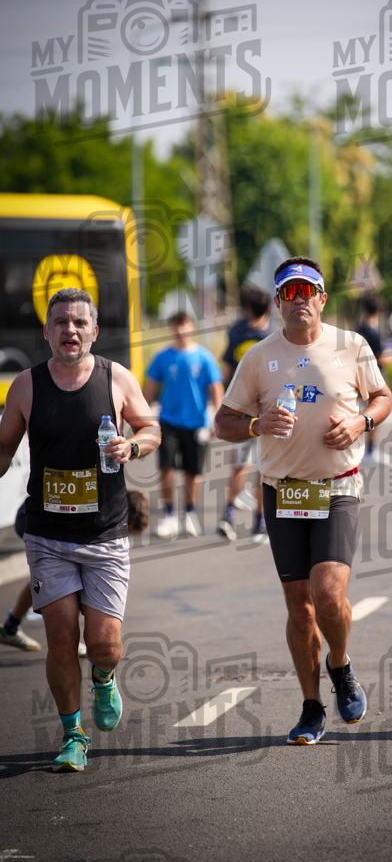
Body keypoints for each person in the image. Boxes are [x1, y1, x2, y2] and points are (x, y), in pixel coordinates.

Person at [215, 258, 392, 744]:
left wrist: (361, 423)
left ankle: (341, 664)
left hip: (338, 485)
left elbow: (381, 397)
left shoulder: (351, 345)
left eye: (306, 291)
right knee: (299, 608)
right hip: (283, 490)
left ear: (321, 299)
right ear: (277, 302)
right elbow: (223, 422)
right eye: (288, 293)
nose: (298, 300)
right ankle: (312, 707)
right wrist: (256, 424)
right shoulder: (257, 356)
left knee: (328, 594)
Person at [0, 287, 160, 773]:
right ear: (47, 332)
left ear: (92, 331)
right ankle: (73, 734)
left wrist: (131, 447)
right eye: (61, 323)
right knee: (61, 634)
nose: (70, 330)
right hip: (48, 536)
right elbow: (4, 447)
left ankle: (105, 677)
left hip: (105, 535)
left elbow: (151, 430)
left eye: (79, 323)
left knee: (105, 643)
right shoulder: (25, 386)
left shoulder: (117, 379)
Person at [0, 491, 151, 654]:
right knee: (60, 577)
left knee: (50, 577)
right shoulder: (101, 508)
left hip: (49, 518)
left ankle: (10, 627)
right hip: (35, 518)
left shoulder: (108, 505)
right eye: (126, 528)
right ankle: (14, 627)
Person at [144, 311, 224, 539]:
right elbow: (148, 390)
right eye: (176, 326)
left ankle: (189, 513)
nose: (180, 330)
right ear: (171, 329)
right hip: (168, 420)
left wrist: (217, 418)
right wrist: (139, 417)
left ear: (191, 327)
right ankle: (168, 514)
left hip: (197, 422)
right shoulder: (162, 357)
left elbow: (216, 389)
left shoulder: (204, 357)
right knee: (166, 466)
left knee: (192, 471)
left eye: (184, 325)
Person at [217, 284, 273, 542]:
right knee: (263, 467)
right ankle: (260, 521)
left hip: (241, 410)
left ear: (247, 308)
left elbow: (226, 371)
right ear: (270, 307)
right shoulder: (274, 336)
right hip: (268, 410)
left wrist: (220, 402)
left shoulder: (237, 331)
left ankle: (229, 514)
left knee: (240, 465)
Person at [356, 293, 392, 463]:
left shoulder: (359, 329)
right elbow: (380, 357)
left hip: (358, 376)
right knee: (374, 414)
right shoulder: (374, 332)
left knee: (358, 413)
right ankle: (371, 451)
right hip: (375, 377)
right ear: (379, 311)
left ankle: (360, 450)